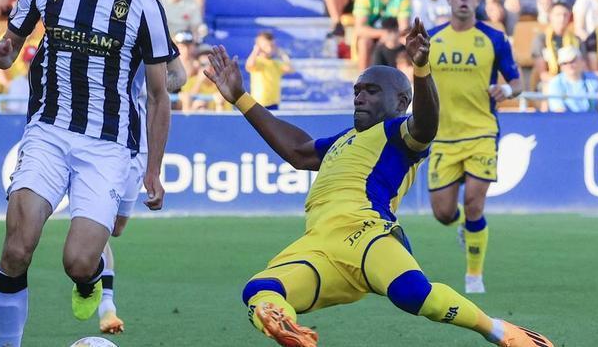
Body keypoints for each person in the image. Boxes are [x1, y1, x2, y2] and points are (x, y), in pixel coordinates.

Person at [203, 21, 552, 347]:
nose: (359, 97)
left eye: (371, 90)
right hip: (319, 244)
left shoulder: (397, 132)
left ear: (400, 102)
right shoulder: (344, 139)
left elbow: (427, 125)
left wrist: (421, 68)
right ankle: (287, 326)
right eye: (357, 90)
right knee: (260, 289)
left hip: (367, 233)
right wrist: (241, 98)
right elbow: (297, 151)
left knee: (415, 296)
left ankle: (499, 331)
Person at [0, 0, 175, 347]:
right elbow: (13, 42)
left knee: (80, 262)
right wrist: (1, 52)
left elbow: (160, 96)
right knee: (16, 247)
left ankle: (88, 283)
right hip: (48, 130)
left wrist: (153, 169)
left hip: (107, 143)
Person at [427, 0, 523, 294]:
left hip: (482, 132)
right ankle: (464, 229)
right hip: (442, 136)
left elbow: (518, 82)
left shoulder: (494, 39)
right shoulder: (431, 39)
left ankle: (473, 277)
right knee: (442, 213)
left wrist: (507, 93)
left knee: (474, 204)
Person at [96, 52, 187, 333]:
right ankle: (105, 304)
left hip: (136, 139)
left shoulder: (150, 23)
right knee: (96, 222)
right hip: (95, 138)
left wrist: (156, 83)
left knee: (116, 228)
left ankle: (89, 269)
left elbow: (179, 76)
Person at [353, 0, 410, 71]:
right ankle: (363, 80)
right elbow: (360, 28)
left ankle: (403, 80)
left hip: (394, 36)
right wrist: (383, 34)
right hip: (373, 36)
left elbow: (404, 27)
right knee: (364, 42)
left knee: (407, 42)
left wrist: (393, 36)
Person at [533, 2, 581, 86]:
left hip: (573, 81)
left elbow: (582, 67)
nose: (562, 18)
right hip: (550, 82)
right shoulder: (541, 39)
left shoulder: (576, 40)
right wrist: (562, 83)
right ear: (550, 16)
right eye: (558, 15)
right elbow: (543, 74)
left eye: (565, 15)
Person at [245, 31, 292, 110]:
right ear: (259, 47)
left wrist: (283, 55)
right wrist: (255, 51)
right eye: (266, 46)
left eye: (272, 45)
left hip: (273, 103)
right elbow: (249, 65)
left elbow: (290, 69)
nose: (270, 48)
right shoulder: (257, 61)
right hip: (258, 103)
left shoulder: (276, 63)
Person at [545, 46, 598, 112]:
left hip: (593, 120)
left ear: (581, 61)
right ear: (560, 66)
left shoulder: (595, 80)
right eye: (564, 63)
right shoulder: (555, 83)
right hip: (567, 121)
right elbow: (559, 111)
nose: (569, 65)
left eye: (573, 61)